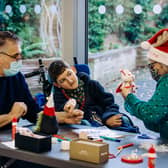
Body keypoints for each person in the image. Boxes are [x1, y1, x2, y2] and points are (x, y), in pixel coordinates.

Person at [0, 31, 83, 167]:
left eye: (20, 55)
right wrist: (11, 116)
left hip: (11, 146)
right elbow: (14, 116)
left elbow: (34, 115)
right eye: (15, 56)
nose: (19, 59)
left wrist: (61, 117)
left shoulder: (16, 78)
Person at [48, 60, 139, 132]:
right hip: (84, 129)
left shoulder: (92, 85)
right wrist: (67, 110)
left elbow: (109, 103)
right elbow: (59, 115)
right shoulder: (57, 96)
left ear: (73, 70)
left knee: (123, 121)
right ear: (57, 85)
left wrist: (108, 117)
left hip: (103, 118)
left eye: (69, 74)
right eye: (63, 80)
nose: (70, 81)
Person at [120, 28, 168, 139]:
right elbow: (159, 118)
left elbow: (151, 114)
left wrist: (129, 97)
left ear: (163, 63)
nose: (152, 68)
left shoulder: (166, 82)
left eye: (152, 64)